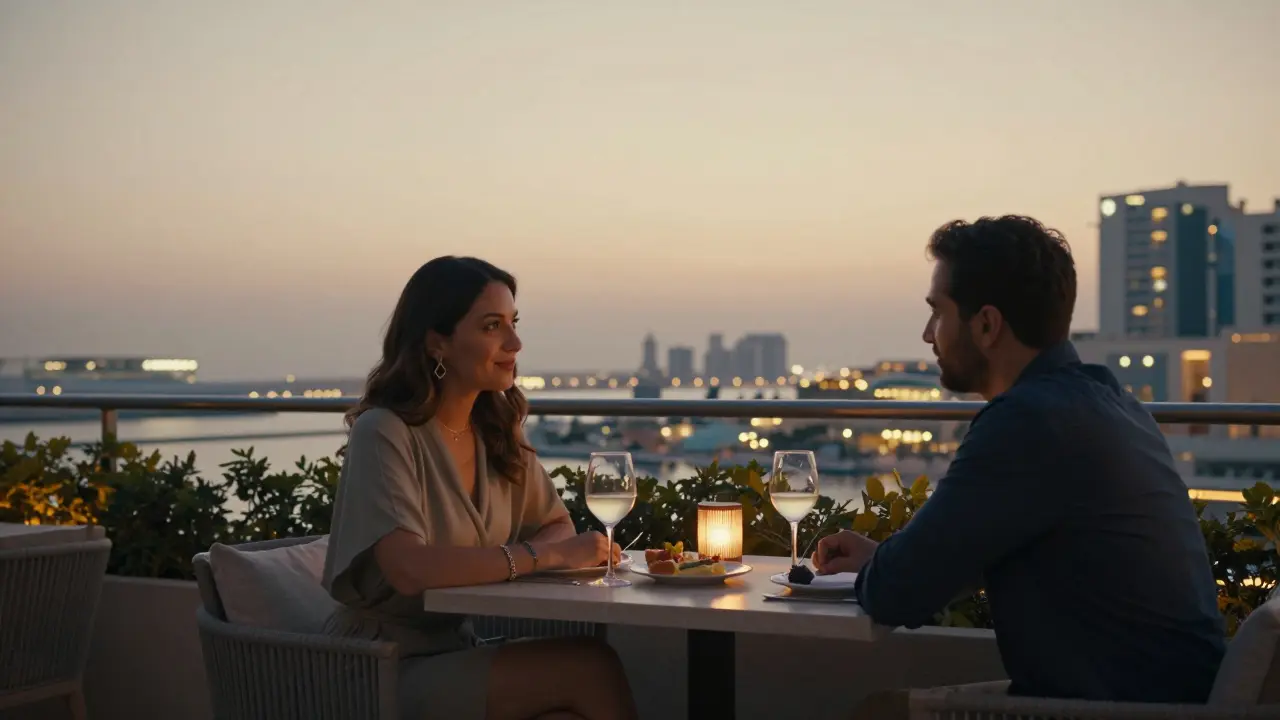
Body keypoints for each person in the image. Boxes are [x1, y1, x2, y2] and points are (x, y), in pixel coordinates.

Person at [816, 216, 1225, 705]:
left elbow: (897, 594)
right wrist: (881, 557)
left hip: (1115, 710)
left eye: (938, 313)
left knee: (875, 712)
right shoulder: (1109, 401)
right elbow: (981, 549)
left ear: (987, 324)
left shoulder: (1027, 422)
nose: (928, 335)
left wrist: (887, 569)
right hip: (1175, 697)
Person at [322, 256, 638, 720]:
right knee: (591, 666)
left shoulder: (496, 431)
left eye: (513, 322)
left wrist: (549, 549)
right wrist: (545, 557)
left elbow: (555, 524)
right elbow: (408, 568)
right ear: (438, 342)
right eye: (492, 326)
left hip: (455, 648)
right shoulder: (384, 431)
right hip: (379, 664)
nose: (515, 342)